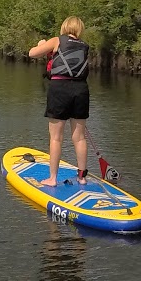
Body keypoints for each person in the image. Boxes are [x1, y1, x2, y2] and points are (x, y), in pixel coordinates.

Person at [28, 16, 91, 189]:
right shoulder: (85, 46)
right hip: (81, 90)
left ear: (64, 28)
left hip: (60, 89)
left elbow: (32, 53)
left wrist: (42, 45)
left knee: (56, 137)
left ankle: (52, 178)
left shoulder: (57, 40)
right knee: (79, 138)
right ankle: (82, 177)